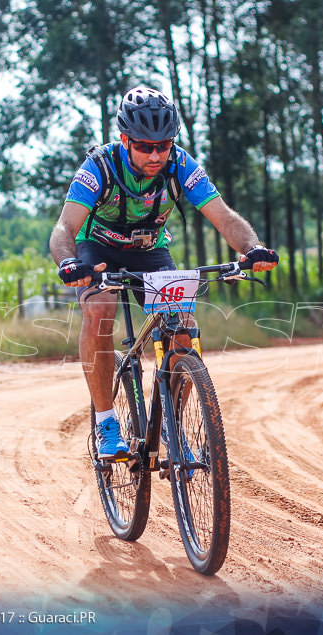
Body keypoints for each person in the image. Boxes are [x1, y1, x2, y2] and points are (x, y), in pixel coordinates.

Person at [49, 85, 279, 459]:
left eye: (164, 145)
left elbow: (223, 216)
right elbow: (64, 228)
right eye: (144, 145)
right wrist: (68, 262)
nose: (156, 154)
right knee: (99, 312)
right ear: (125, 139)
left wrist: (251, 248)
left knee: (184, 326)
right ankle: (106, 423)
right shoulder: (100, 165)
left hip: (150, 250)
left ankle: (170, 424)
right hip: (98, 250)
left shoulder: (181, 164)